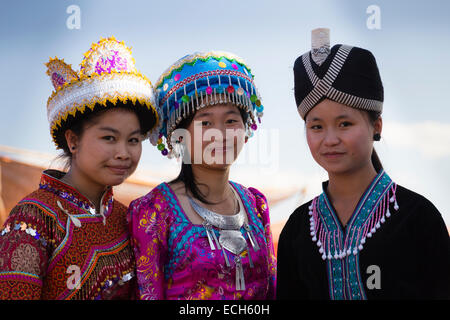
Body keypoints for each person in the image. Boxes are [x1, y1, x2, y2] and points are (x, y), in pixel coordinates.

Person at [277, 30, 450, 300]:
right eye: (317, 126)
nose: (330, 139)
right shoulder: (298, 228)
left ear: (376, 126)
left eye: (345, 124)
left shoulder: (418, 218)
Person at [0, 37, 159, 299]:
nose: (123, 153)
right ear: (73, 141)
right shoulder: (33, 218)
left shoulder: (127, 219)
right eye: (109, 138)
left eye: (133, 140)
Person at [128, 51, 276, 300]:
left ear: (245, 128)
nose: (220, 133)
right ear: (180, 135)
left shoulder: (256, 205)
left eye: (231, 120)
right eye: (205, 123)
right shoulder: (154, 212)